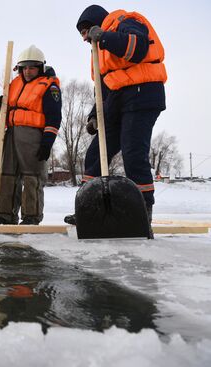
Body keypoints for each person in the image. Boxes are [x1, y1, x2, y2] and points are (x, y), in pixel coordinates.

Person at [64, 5, 167, 228]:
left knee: (132, 151)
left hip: (142, 94)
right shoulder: (98, 52)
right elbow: (103, 88)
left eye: (85, 31)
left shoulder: (125, 22)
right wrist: (93, 116)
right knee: (94, 153)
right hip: (117, 100)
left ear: (96, 24)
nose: (84, 38)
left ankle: (142, 212)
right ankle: (89, 208)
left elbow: (137, 48)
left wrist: (104, 37)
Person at [0, 45, 62, 225]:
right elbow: (7, 110)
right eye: (25, 67)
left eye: (32, 67)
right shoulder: (14, 83)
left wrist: (47, 142)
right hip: (11, 133)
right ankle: (6, 215)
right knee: (7, 174)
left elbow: (54, 117)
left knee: (32, 176)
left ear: (40, 67)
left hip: (32, 136)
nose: (28, 71)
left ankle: (31, 216)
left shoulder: (49, 86)